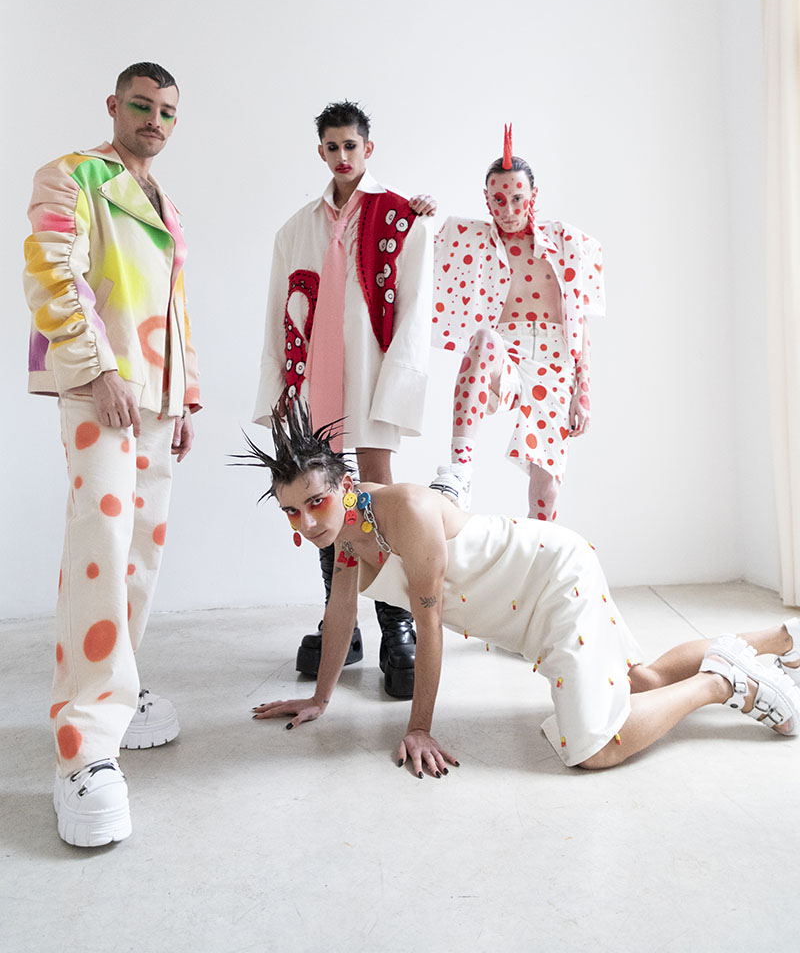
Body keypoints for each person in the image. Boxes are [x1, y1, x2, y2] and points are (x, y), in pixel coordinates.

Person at [241, 403, 800, 778]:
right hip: (526, 602)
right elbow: (339, 612)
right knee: (643, 682)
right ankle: (782, 639)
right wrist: (320, 699)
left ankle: (723, 681)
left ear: (344, 485)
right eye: (292, 511)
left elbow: (429, 626)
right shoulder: (344, 534)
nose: (307, 522)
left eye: (316, 502)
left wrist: (419, 729)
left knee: (595, 747)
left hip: (551, 575)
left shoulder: (405, 509)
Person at [22, 62, 200, 847]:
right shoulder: (72, 176)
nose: (155, 119)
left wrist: (186, 396)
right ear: (114, 106)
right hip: (101, 389)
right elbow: (51, 273)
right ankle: (83, 746)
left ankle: (115, 694)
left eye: (167, 111)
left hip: (157, 399)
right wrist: (98, 369)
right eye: (142, 105)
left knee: (138, 555)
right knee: (99, 545)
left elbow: (174, 305)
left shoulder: (165, 201)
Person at [253, 101, 434, 697]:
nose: (342, 156)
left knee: (378, 493)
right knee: (320, 495)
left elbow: (414, 310)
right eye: (331, 147)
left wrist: (398, 387)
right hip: (315, 381)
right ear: (321, 151)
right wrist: (281, 391)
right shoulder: (295, 229)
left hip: (370, 372)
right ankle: (343, 623)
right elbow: (279, 315)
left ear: (368, 148)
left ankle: (396, 623)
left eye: (351, 145)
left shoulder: (400, 216)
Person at [430, 125, 604, 520]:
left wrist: (583, 393)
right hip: (506, 350)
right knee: (484, 339)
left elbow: (580, 321)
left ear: (532, 197)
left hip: (555, 358)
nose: (508, 211)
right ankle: (459, 472)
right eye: (498, 200)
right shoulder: (470, 239)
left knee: (548, 484)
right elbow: (421, 238)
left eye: (517, 199)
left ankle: (540, 547)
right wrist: (419, 208)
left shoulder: (564, 242)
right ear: (487, 200)